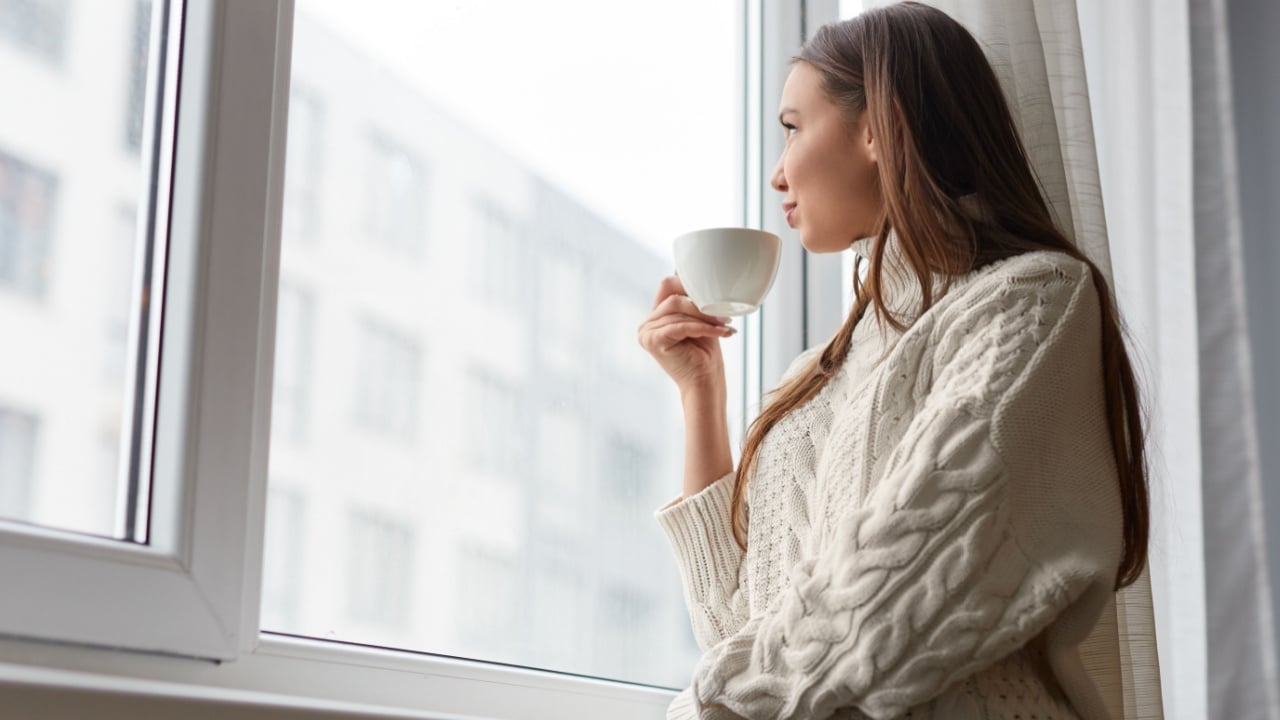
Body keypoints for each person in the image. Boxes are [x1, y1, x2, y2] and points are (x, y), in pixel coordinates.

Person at [637, 2, 1150, 719]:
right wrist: (699, 391)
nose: (778, 174)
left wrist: (696, 705)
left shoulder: (1030, 301)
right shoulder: (808, 382)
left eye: (792, 128)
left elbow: (889, 606)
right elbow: (737, 635)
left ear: (877, 125)